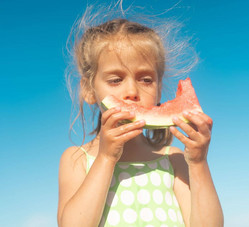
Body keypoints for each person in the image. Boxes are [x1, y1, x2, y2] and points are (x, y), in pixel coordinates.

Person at [57, 7, 224, 227]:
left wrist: (198, 163)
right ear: (89, 90)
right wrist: (106, 158)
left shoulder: (174, 160)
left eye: (145, 80)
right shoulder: (77, 159)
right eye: (116, 80)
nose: (132, 91)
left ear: (158, 88)